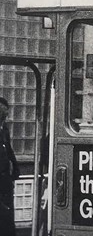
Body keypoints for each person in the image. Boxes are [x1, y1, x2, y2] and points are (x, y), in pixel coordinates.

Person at [0, 97, 20, 236]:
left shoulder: (4, 129)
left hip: (5, 179)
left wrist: (15, 169)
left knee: (7, 214)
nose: (6, 114)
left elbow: (9, 149)